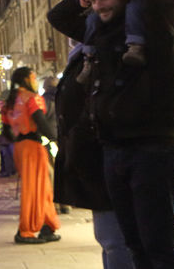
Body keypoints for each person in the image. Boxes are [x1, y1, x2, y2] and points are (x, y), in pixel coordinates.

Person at [47, 0, 174, 268]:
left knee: (159, 246)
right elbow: (59, 17)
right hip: (114, 149)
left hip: (153, 146)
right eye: (94, 0)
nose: (99, 5)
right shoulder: (101, 32)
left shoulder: (152, 29)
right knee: (134, 245)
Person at [50, 30, 133, 269]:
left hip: (107, 158)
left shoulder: (102, 57)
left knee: (116, 240)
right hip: (94, 160)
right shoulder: (83, 59)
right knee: (109, 239)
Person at [0, 67, 60, 245]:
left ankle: (46, 226)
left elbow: (6, 131)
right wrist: (54, 140)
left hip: (20, 146)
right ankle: (25, 231)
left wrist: (19, 138)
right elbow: (41, 121)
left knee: (39, 187)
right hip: (33, 147)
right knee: (36, 188)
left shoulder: (10, 101)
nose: (35, 80)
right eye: (33, 77)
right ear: (26, 79)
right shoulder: (32, 98)